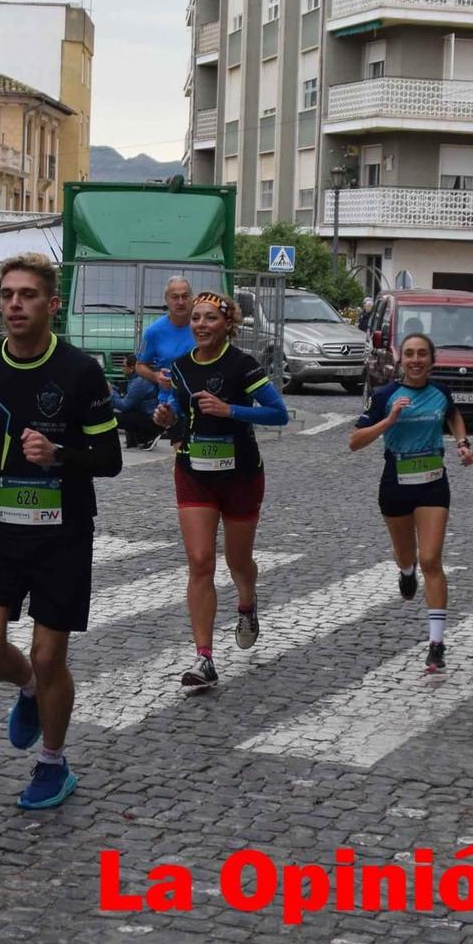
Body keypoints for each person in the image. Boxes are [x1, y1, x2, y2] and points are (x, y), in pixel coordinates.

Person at [0, 253, 123, 809]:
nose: (14, 305)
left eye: (27, 295)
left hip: (64, 533)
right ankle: (27, 687)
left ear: (51, 305)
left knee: (53, 656)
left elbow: (110, 457)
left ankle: (53, 763)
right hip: (1, 531)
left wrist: (57, 455)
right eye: (7, 295)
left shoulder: (80, 371)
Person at [152, 290, 290, 692]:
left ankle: (246, 601)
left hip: (241, 474)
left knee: (238, 559)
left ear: (228, 324)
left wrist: (231, 410)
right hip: (194, 471)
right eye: (195, 318)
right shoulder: (179, 367)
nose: (200, 325)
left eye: (210, 318)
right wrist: (164, 416)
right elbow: (173, 412)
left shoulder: (242, 365)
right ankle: (204, 657)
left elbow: (278, 412)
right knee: (199, 561)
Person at [349, 332, 473, 675]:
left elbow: (454, 416)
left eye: (422, 354)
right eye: (410, 354)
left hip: (434, 483)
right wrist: (388, 421)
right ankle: (406, 572)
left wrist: (462, 443)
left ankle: (436, 644)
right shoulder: (385, 395)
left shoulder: (440, 392)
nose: (416, 360)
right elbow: (354, 441)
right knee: (408, 556)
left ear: (432, 360)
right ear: (400, 360)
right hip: (396, 483)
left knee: (431, 559)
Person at [133, 276, 197, 446]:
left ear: (192, 298)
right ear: (167, 300)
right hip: (172, 405)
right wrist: (156, 377)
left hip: (202, 401)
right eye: (175, 297)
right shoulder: (154, 332)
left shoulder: (203, 325)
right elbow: (139, 366)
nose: (181, 302)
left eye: (185, 296)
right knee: (182, 457)